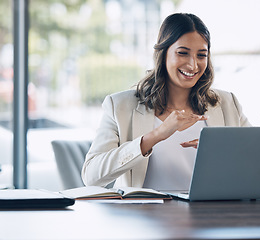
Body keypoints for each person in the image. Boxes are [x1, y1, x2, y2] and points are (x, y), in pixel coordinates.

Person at [81, 13, 251, 191]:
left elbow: (259, 158)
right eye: (182, 53)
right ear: (163, 54)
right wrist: (156, 136)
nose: (193, 65)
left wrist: (225, 151)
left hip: (211, 215)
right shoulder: (120, 106)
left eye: (201, 55)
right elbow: (91, 176)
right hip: (143, 215)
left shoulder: (227, 104)